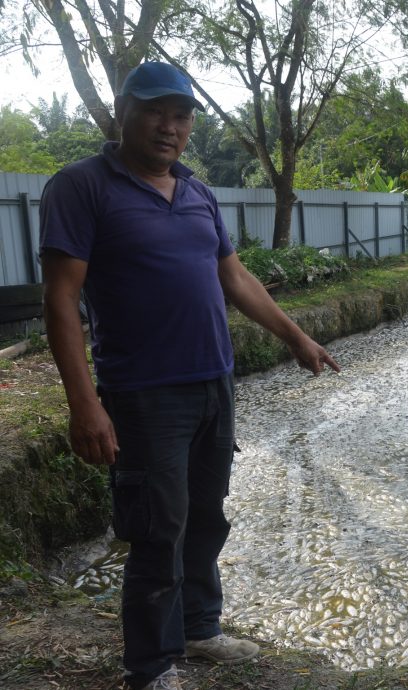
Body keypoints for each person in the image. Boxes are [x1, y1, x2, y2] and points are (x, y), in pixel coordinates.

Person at [39, 61, 341, 690]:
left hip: (214, 383)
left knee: (207, 515)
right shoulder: (81, 186)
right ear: (124, 111)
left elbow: (235, 279)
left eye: (180, 116)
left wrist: (296, 338)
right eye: (155, 111)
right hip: (144, 393)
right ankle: (150, 668)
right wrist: (84, 403)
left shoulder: (198, 192)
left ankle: (200, 629)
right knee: (157, 529)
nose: (169, 127)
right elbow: (61, 300)